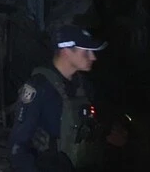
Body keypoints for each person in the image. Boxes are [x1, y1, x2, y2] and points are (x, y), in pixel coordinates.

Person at [8, 24, 108, 172]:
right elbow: (18, 145)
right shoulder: (39, 87)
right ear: (66, 51)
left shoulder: (83, 85)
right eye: (86, 52)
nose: (93, 57)